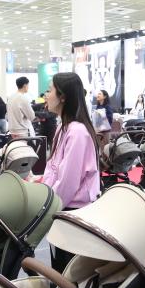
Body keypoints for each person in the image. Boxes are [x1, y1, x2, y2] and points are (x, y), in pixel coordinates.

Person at [40, 72, 100, 272]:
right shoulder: (63, 128)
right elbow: (53, 170)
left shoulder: (77, 132)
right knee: (60, 269)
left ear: (63, 96)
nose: (45, 95)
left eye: (49, 90)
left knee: (68, 273)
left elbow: (68, 182)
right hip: (62, 209)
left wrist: (48, 208)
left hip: (72, 212)